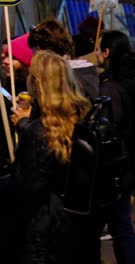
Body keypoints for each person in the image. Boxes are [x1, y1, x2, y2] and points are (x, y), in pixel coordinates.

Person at [1, 50, 91, 263]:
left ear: (40, 84)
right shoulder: (80, 121)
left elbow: (25, 188)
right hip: (73, 226)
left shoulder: (38, 133)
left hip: (40, 229)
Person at [93, 29, 135, 264]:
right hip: (129, 160)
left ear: (106, 52)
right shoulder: (134, 79)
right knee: (122, 226)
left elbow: (107, 128)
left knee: (117, 227)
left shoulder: (110, 87)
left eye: (99, 48)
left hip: (112, 168)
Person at [0, 33, 34, 191]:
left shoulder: (31, 92)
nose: (5, 61)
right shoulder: (7, 84)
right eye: (5, 55)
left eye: (12, 57)